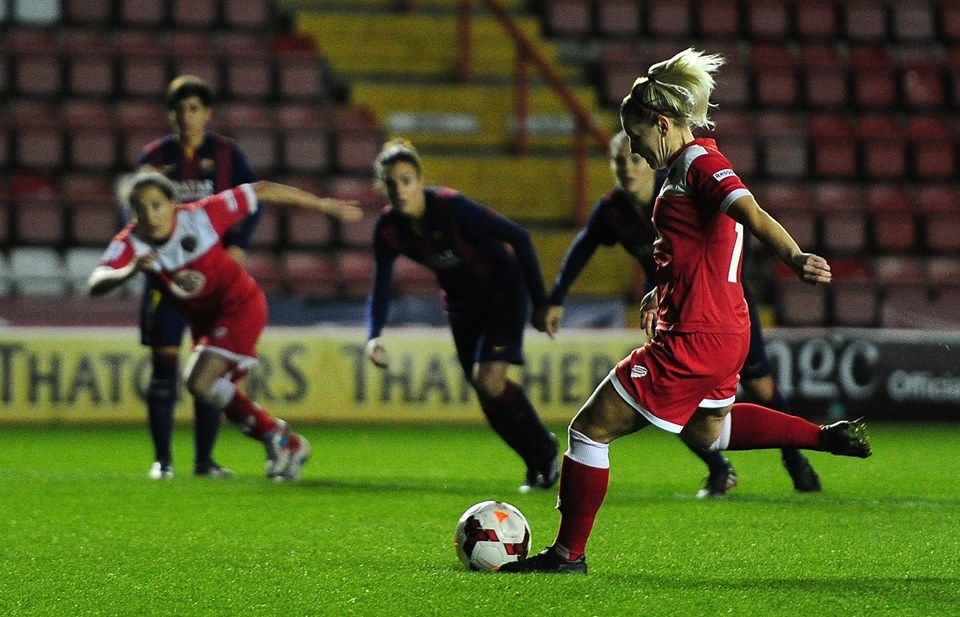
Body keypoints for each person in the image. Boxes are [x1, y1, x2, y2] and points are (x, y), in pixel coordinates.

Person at [501, 48, 871, 574]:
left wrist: (793, 255)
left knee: (588, 430)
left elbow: (749, 210)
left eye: (636, 139)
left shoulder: (699, 162)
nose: (635, 150)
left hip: (696, 336)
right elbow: (700, 245)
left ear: (661, 123)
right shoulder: (683, 166)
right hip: (722, 330)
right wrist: (664, 290)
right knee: (708, 434)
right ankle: (819, 437)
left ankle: (567, 555)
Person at [546, 131, 821, 498]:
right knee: (672, 393)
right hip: (672, 308)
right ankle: (720, 470)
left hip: (719, 301)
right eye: (619, 162)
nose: (628, 167)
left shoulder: (681, 184)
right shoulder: (612, 210)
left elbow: (738, 225)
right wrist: (556, 298)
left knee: (760, 388)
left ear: (649, 160)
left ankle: (795, 461)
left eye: (634, 158)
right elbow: (582, 249)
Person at [89, 171, 362, 481]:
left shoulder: (201, 216)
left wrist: (323, 205)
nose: (150, 215)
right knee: (226, 398)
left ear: (173, 204)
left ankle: (279, 437)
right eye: (141, 208)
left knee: (199, 381)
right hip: (204, 321)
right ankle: (286, 443)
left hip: (240, 306)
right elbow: (96, 282)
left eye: (157, 205)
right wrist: (128, 270)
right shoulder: (131, 242)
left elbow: (261, 189)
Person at [363, 138, 560, 492]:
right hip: (461, 305)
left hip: (502, 292)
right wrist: (373, 335)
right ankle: (536, 462)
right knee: (483, 391)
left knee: (489, 381)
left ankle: (545, 448)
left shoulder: (452, 207)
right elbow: (380, 284)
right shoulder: (389, 229)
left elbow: (519, 237)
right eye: (391, 184)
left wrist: (541, 302)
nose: (399, 190)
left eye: (406, 180)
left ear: (420, 180)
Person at [135, 75, 260, 479]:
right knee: (165, 366)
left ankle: (204, 461)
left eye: (194, 109)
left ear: (207, 114)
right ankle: (162, 461)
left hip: (213, 283)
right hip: (168, 281)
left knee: (208, 369)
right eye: (179, 109)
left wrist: (238, 240)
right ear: (170, 114)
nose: (186, 117)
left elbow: (253, 200)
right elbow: (132, 213)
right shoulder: (153, 157)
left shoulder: (227, 155)